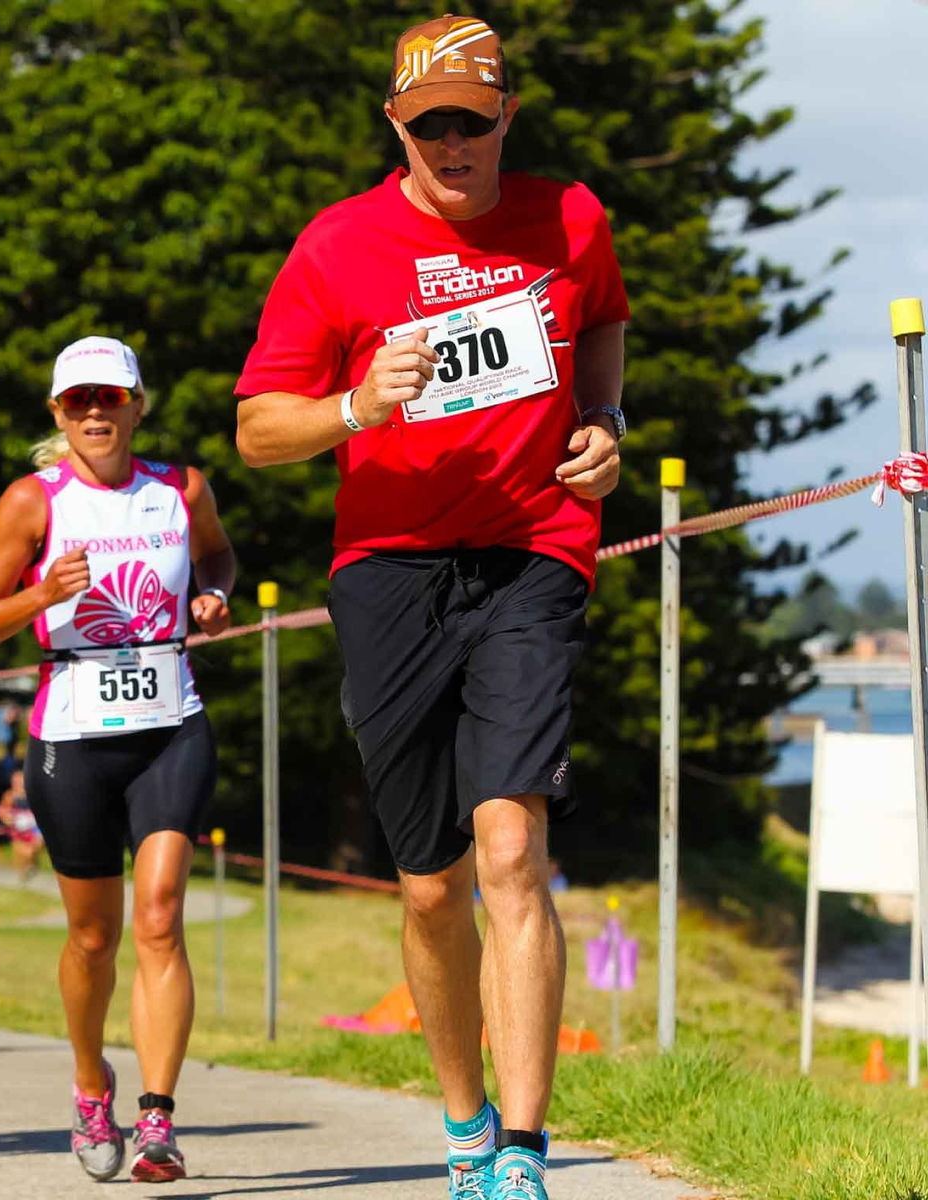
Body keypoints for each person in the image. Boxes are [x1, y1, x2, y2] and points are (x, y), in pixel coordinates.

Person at [233, 16, 628, 1200]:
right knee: (428, 881)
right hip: (390, 564)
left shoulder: (570, 218)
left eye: (472, 119)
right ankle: (461, 1121)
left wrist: (604, 427)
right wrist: (356, 407)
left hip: (531, 549)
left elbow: (600, 320)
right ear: (395, 127)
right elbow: (256, 434)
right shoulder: (338, 245)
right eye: (429, 125)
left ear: (508, 116)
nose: (452, 144)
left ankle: (520, 1149)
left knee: (511, 844)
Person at [0, 335, 237, 1183]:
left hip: (170, 721)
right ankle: (90, 1084)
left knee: (159, 914)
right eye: (78, 400)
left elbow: (218, 552)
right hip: (71, 732)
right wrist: (42, 593)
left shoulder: (181, 489)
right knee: (93, 935)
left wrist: (215, 592)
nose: (94, 413)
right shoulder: (31, 504)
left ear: (137, 406)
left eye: (110, 398)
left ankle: (156, 1119)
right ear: (56, 413)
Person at [0, 767, 42, 881]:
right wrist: (7, 819)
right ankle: (23, 876)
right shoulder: (9, 795)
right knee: (24, 854)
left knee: (32, 851)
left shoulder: (33, 793)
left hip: (34, 829)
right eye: (16, 781)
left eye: (20, 780)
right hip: (18, 831)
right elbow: (1, 812)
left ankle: (31, 867)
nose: (18, 783)